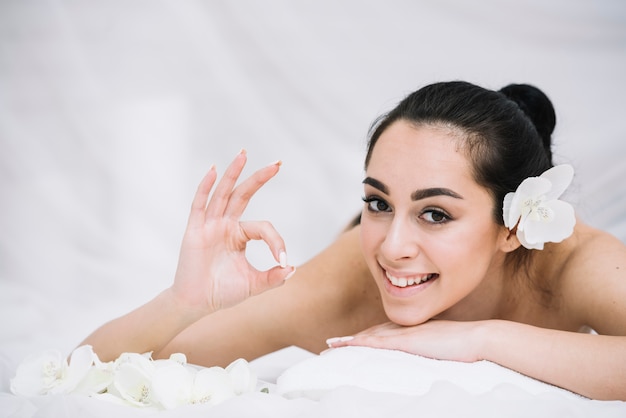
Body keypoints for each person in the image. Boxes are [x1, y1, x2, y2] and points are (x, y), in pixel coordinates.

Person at [81, 81, 626, 401]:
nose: (391, 248)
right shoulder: (346, 284)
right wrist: (184, 303)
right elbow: (90, 367)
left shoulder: (573, 262)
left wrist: (482, 340)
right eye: (378, 203)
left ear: (511, 227)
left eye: (436, 213)